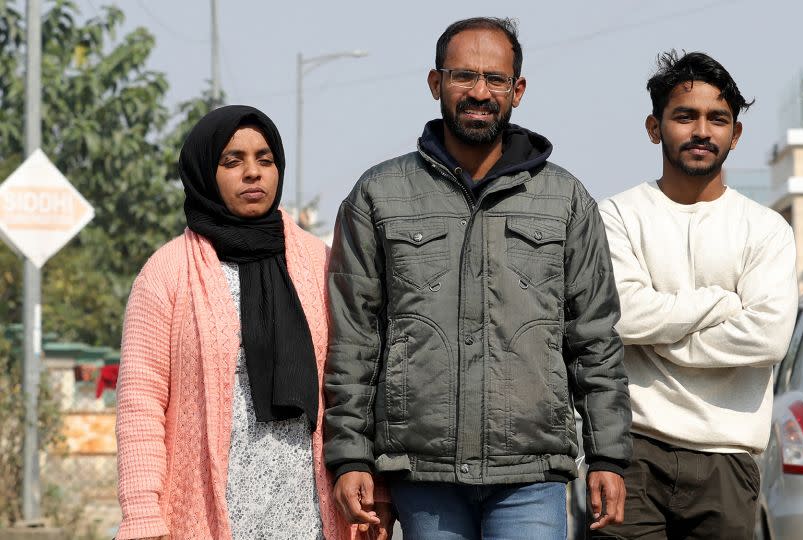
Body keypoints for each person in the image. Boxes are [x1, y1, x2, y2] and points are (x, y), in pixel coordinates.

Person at [324, 17, 631, 540]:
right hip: (422, 472)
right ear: (435, 82)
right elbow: (354, 338)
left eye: (495, 79)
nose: (479, 92)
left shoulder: (565, 201)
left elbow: (594, 339)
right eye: (464, 76)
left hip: (530, 472)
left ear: (518, 90)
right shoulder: (379, 196)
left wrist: (609, 455)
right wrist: (350, 455)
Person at [114, 105, 386, 539]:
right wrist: (143, 515)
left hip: (306, 508)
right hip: (210, 509)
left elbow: (352, 376)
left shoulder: (318, 263)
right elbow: (140, 405)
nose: (253, 173)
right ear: (205, 171)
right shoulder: (167, 273)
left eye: (265, 159)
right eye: (232, 161)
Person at [594, 51, 799, 540]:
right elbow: (619, 318)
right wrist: (721, 303)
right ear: (654, 126)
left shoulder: (766, 229)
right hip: (632, 452)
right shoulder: (616, 216)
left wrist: (656, 341)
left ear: (736, 134)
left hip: (727, 458)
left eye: (718, 119)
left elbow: (768, 339)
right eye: (685, 116)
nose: (702, 130)